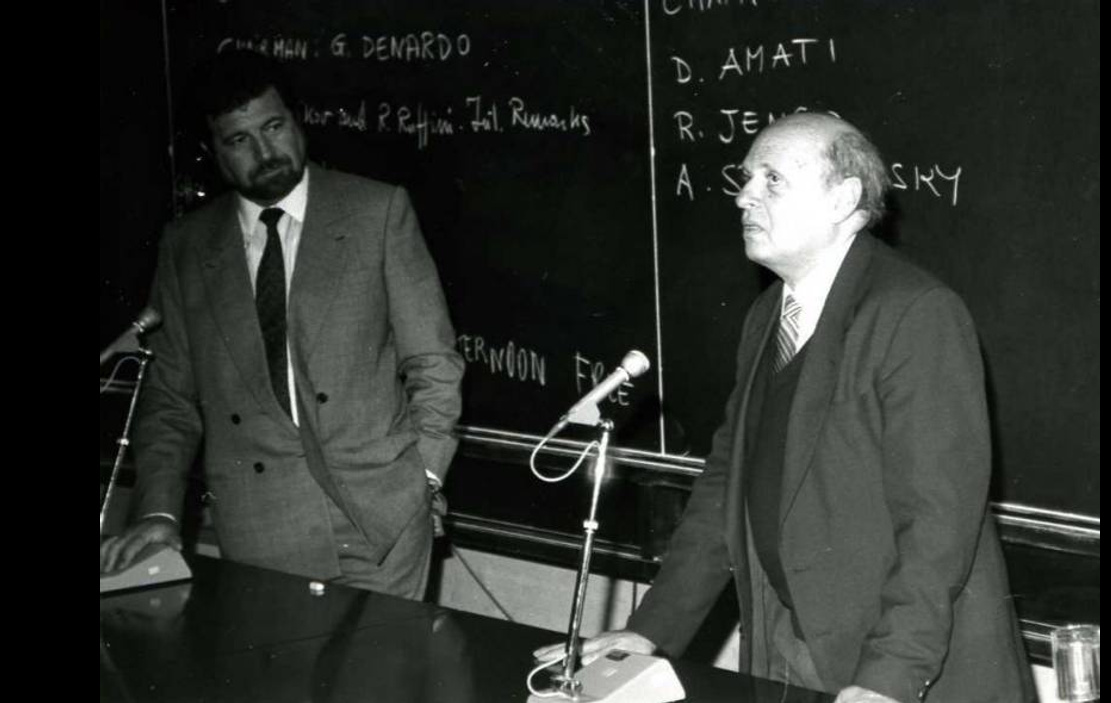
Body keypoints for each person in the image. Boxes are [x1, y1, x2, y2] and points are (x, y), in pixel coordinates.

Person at [535, 113, 1034, 703]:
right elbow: (726, 484)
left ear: (843, 199)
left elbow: (938, 524)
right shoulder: (768, 314)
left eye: (772, 180)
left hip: (899, 667)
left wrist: (889, 678)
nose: (743, 196)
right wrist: (652, 629)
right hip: (789, 646)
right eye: (747, 178)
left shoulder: (914, 312)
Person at [99, 50, 464, 599]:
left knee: (386, 656)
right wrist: (158, 511)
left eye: (273, 127)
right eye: (239, 139)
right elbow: (170, 399)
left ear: (298, 121)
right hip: (261, 528)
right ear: (213, 153)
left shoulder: (377, 212)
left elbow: (434, 363)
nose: (265, 152)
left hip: (384, 520)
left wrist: (424, 479)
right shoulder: (187, 246)